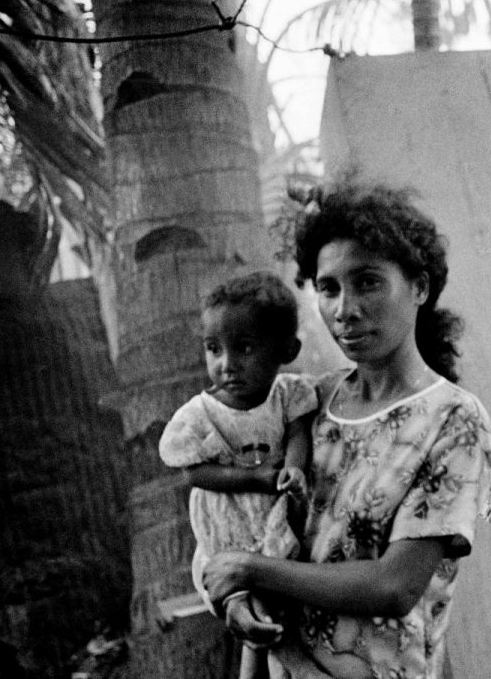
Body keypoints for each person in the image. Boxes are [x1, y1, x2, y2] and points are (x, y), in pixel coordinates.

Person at [201, 182, 491, 679]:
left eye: (367, 282)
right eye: (328, 287)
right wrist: (235, 597)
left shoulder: (453, 420)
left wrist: (251, 571)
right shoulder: (306, 404)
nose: (345, 310)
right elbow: (248, 526)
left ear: (419, 287)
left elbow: (395, 586)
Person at [158, 270, 317, 679]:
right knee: (248, 601)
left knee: (277, 604)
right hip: (229, 518)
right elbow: (193, 472)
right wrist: (253, 478)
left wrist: (294, 470)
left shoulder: (288, 394)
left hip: (274, 511)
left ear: (286, 349)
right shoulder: (201, 415)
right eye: (214, 349)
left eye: (244, 348)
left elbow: (299, 431)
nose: (227, 365)